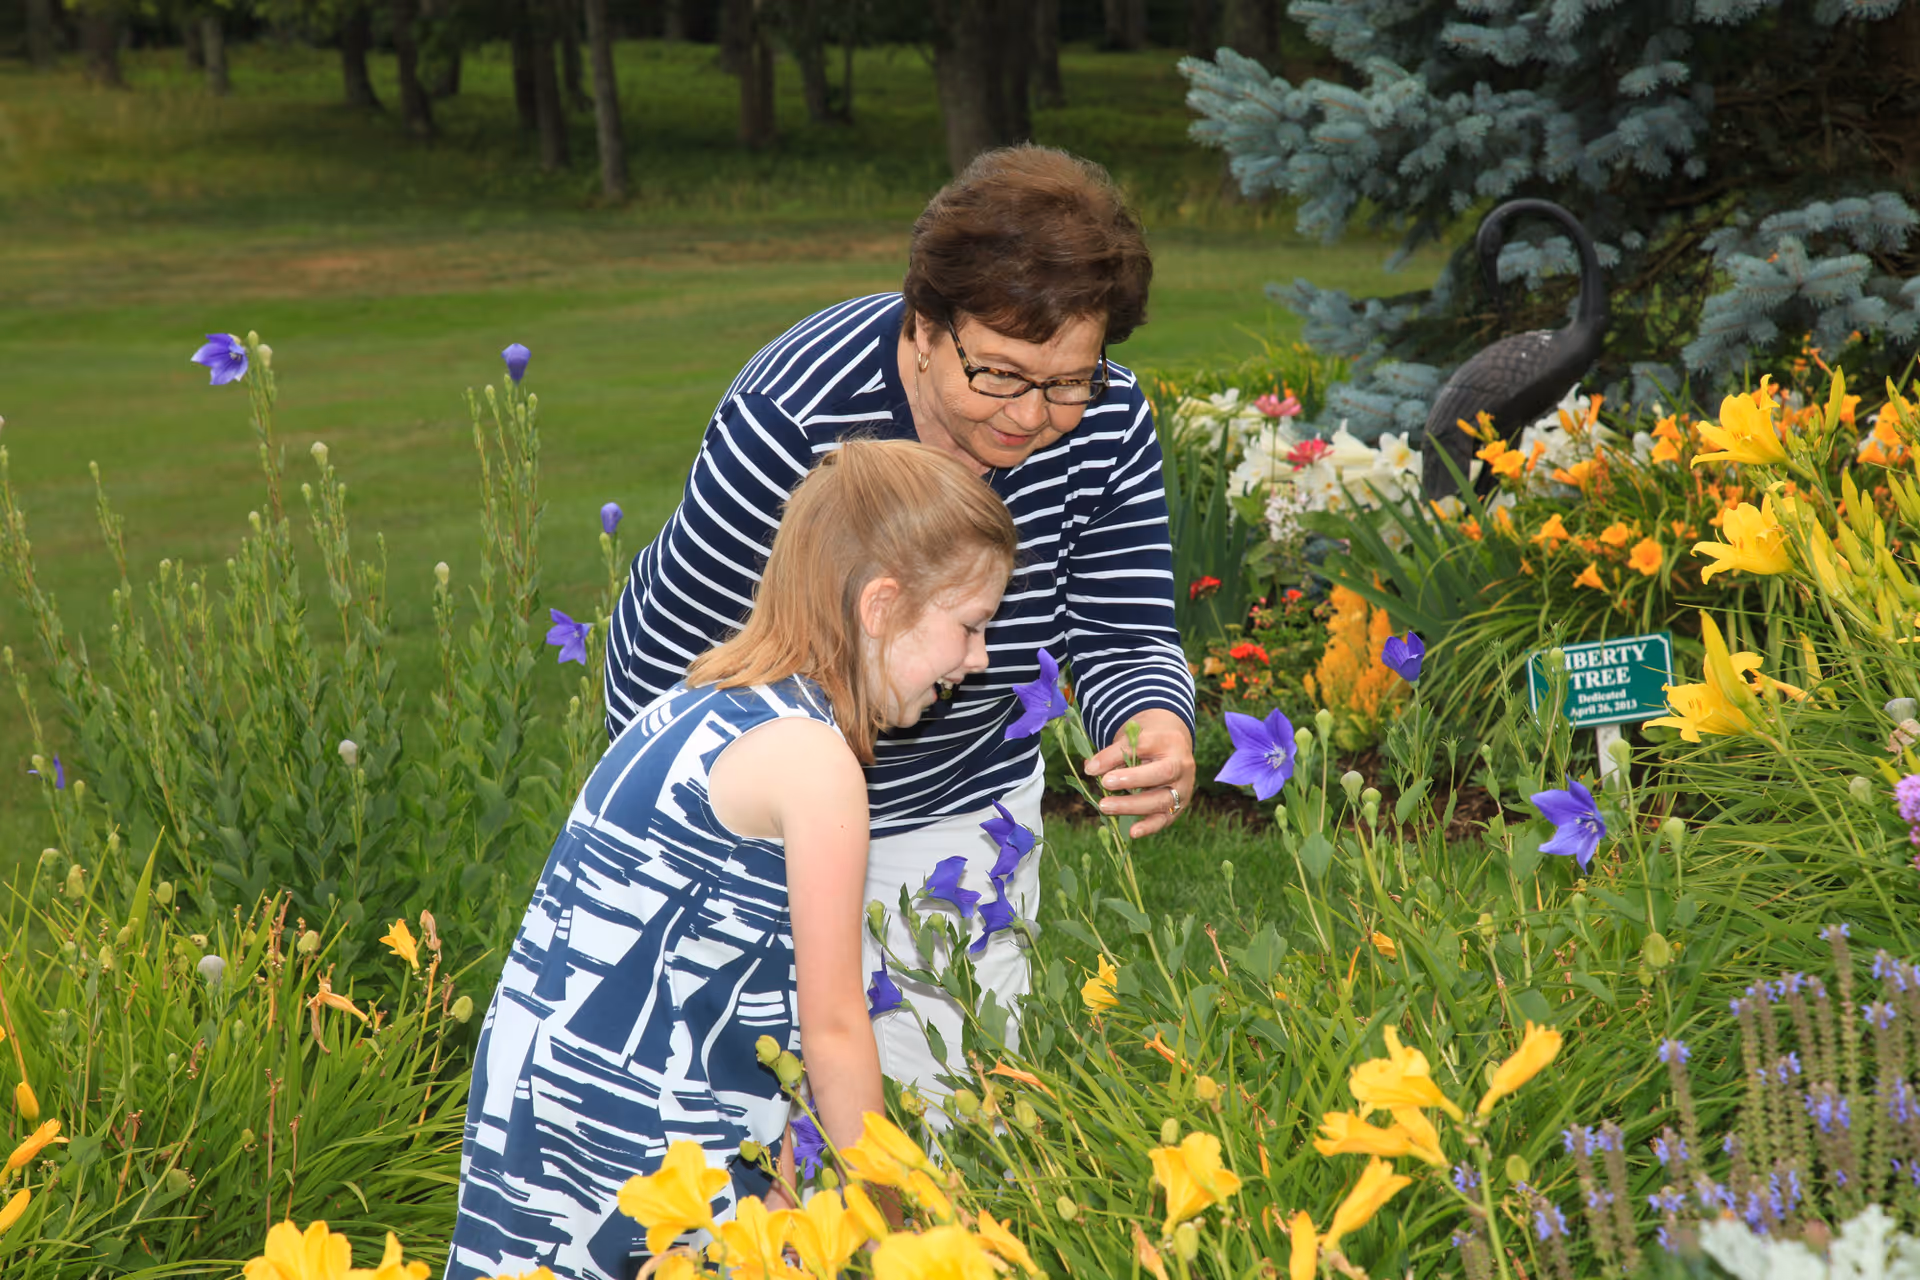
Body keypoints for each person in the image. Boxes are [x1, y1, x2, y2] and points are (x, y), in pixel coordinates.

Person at [604, 144, 1197, 1096]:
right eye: (1000, 375)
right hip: (765, 817)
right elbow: (678, 678)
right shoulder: (793, 419)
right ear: (924, 326)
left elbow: (1123, 628)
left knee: (954, 1114)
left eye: (1068, 380)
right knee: (744, 1123)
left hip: (963, 803)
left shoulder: (1109, 422)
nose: (1034, 417)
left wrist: (1153, 723)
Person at [446, 440, 1020, 1280]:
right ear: (882, 607)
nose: (981, 658)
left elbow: (728, 980)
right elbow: (831, 1028)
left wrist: (783, 1172)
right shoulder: (815, 765)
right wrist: (889, 1227)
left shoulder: (702, 702)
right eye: (970, 627)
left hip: (544, 1102)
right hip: (638, 1133)